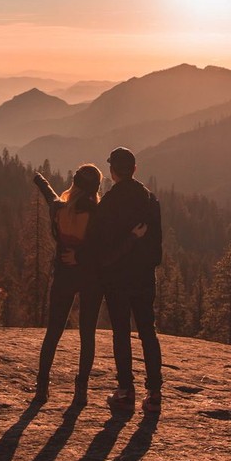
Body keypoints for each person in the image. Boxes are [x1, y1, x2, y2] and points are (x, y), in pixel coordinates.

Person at [81, 147, 163, 419]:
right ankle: (154, 395)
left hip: (117, 281)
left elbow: (99, 250)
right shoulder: (150, 200)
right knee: (147, 332)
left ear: (112, 172)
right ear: (135, 169)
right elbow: (157, 250)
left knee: (121, 334)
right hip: (143, 280)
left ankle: (126, 392)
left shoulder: (108, 204)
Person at [31, 165, 104, 406]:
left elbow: (50, 195)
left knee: (53, 332)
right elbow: (102, 247)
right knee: (87, 335)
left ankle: (42, 386)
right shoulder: (98, 213)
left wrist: (41, 181)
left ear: (75, 185)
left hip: (64, 275)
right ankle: (81, 389)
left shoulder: (59, 209)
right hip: (91, 278)